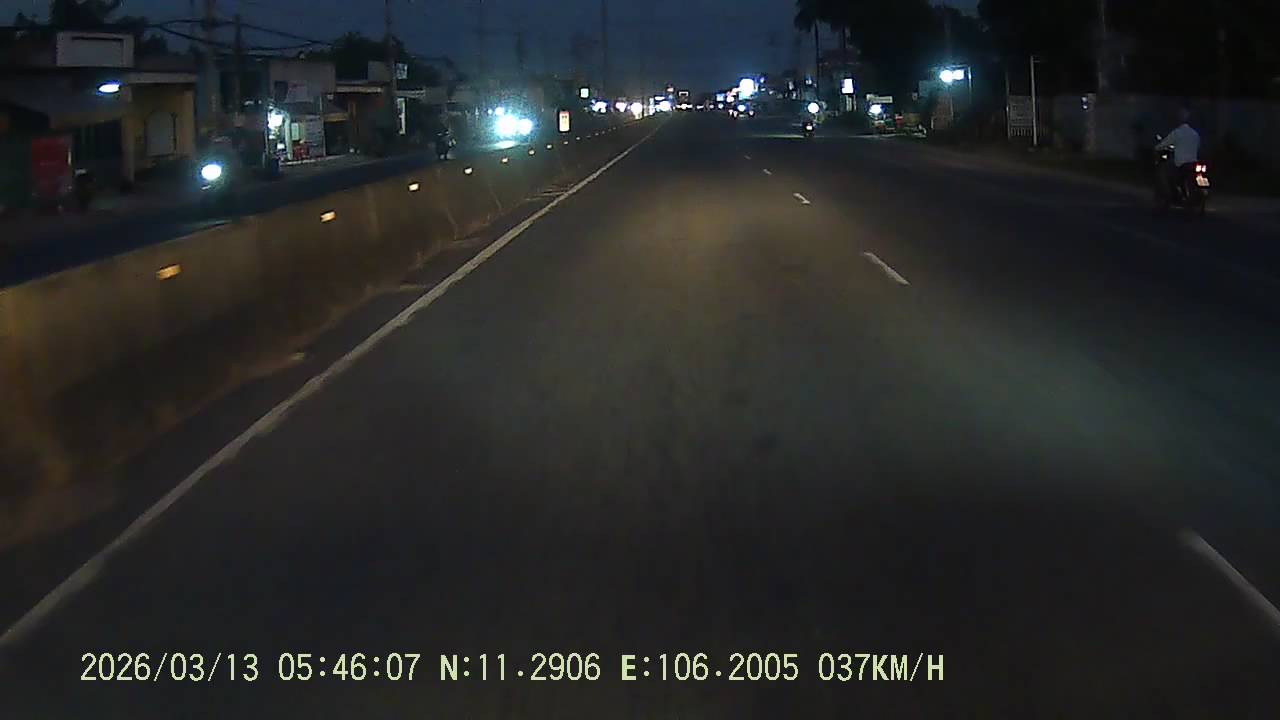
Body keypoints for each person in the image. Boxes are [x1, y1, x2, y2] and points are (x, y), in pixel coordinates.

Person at [1154, 108, 1201, 200]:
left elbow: (1164, 143)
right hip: (1193, 163)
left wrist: (1156, 148)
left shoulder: (1177, 133)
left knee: (1165, 171)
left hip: (1180, 163)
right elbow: (1198, 146)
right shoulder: (1195, 134)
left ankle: (1170, 194)